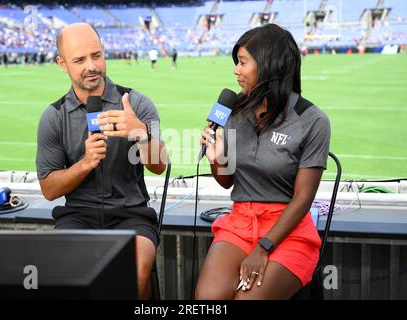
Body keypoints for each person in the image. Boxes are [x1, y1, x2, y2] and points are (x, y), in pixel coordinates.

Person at [196, 24, 330, 300]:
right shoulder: (234, 112)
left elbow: (303, 198)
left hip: (287, 229)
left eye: (243, 62)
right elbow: (227, 182)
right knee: (207, 299)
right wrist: (217, 159)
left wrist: (263, 247)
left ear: (269, 65)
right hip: (240, 222)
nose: (236, 70)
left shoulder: (312, 120)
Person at [36, 23, 167, 299]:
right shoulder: (53, 116)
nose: (91, 66)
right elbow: (49, 189)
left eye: (96, 55)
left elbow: (159, 166)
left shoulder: (137, 103)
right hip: (77, 217)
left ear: (104, 53)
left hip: (132, 214)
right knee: (62, 275)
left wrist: (140, 133)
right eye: (80, 60)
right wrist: (85, 163)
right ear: (62, 64)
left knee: (133, 271)